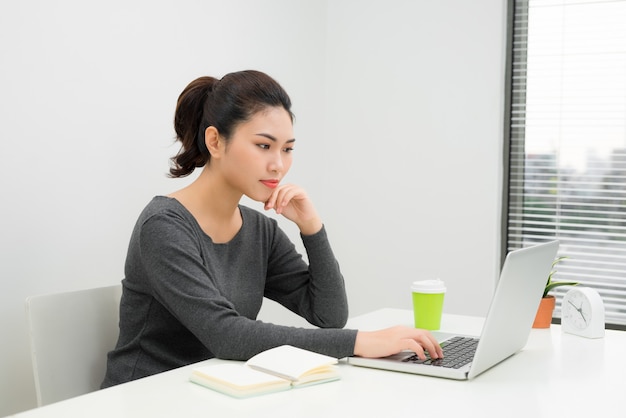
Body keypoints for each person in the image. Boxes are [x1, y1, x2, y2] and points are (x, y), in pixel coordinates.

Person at [101, 70, 442, 388]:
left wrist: (312, 228)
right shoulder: (163, 226)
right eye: (264, 145)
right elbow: (227, 335)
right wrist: (359, 342)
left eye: (288, 149)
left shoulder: (259, 231)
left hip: (215, 391)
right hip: (147, 395)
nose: (279, 164)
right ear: (216, 142)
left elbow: (329, 314)